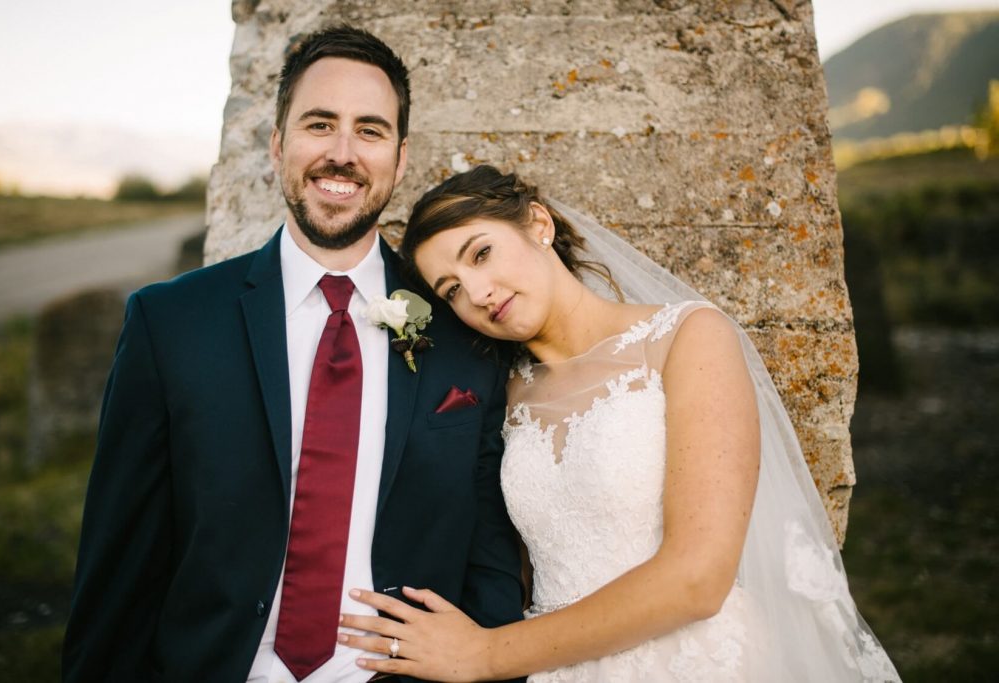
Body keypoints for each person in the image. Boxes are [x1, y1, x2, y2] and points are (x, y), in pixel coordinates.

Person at [61, 29, 525, 683]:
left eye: (369, 130)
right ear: (278, 144)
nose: (342, 153)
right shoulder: (169, 324)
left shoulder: (461, 331)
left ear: (399, 156)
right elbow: (118, 567)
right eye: (319, 124)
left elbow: (490, 558)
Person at [338, 165, 901, 682]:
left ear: (537, 223)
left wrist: (484, 654)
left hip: (693, 661)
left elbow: (699, 578)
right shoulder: (501, 397)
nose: (478, 294)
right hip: (556, 670)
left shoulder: (688, 338)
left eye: (481, 254)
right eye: (452, 291)